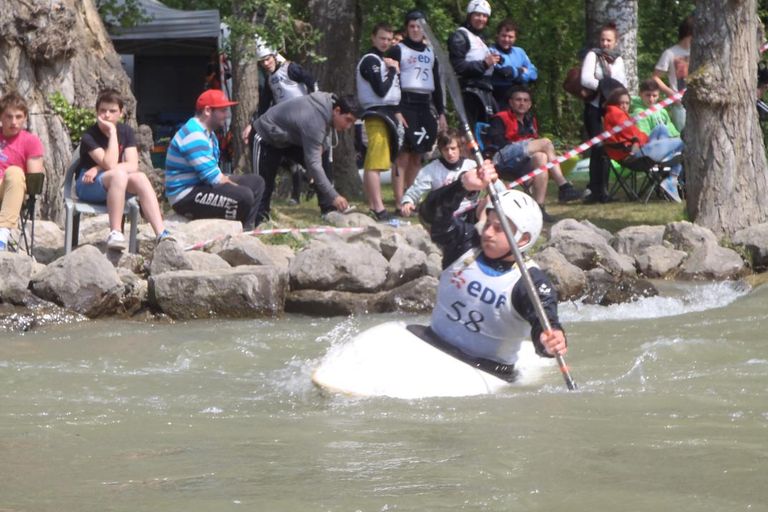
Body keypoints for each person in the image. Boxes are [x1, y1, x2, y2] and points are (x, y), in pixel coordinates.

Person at [417, 160, 567, 374]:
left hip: (488, 369)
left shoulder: (531, 283)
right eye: (488, 223)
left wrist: (550, 340)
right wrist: (461, 185)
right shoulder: (465, 243)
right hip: (434, 344)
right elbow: (430, 214)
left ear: (523, 239)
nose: (487, 233)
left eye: (499, 228)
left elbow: (545, 325)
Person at [77, 88, 170, 251]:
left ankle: (161, 233)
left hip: (114, 181)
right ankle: (115, 232)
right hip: (88, 183)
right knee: (119, 175)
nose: (107, 115)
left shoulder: (126, 131)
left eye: (112, 111)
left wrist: (97, 168)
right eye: (103, 111)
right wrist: (112, 132)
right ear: (97, 112)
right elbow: (110, 164)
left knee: (140, 177)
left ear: (121, 113)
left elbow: (132, 165)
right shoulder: (89, 136)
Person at [166, 89, 265, 230]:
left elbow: (215, 175)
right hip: (185, 196)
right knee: (245, 196)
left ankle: (247, 229)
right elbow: (215, 179)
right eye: (223, 111)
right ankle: (236, 229)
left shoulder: (208, 134)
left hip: (202, 186)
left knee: (256, 183)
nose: (227, 115)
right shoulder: (194, 135)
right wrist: (238, 188)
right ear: (207, 111)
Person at [251, 92, 358, 222]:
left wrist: (322, 148)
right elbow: (314, 164)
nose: (348, 126)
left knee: (323, 159)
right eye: (348, 120)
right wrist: (334, 195)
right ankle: (258, 220)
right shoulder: (315, 120)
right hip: (266, 136)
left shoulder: (330, 104)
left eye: (352, 122)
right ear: (337, 110)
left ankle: (329, 209)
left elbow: (322, 142)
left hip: (287, 139)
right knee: (263, 184)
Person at [484, 85, 581, 221]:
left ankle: (538, 208)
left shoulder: (530, 121)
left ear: (529, 104)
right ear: (511, 102)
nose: (522, 103)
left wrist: (529, 146)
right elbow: (496, 143)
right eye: (518, 100)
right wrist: (523, 144)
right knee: (545, 142)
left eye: (525, 100)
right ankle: (564, 186)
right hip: (502, 158)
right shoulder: (500, 118)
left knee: (541, 157)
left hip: (522, 161)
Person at [244, 42, 319, 205]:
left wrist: (316, 104)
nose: (265, 64)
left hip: (304, 120)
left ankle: (320, 190)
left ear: (274, 56)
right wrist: (252, 124)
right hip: (287, 125)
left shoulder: (291, 69)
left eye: (268, 59)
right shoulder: (270, 80)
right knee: (290, 160)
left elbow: (311, 81)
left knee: (315, 157)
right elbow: (263, 106)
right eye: (262, 62)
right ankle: (298, 190)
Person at [388, 10, 448, 212]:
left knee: (418, 155)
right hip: (404, 102)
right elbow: (391, 81)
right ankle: (399, 202)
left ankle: (410, 199)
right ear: (406, 28)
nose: (415, 30)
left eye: (419, 26)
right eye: (412, 26)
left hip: (425, 104)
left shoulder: (431, 53)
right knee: (403, 155)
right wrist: (396, 109)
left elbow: (437, 85)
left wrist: (441, 112)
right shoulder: (398, 50)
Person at [603, 87, 684, 203]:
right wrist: (645, 140)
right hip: (633, 155)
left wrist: (644, 139)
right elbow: (633, 134)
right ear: (614, 102)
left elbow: (635, 134)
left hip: (636, 150)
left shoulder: (614, 113)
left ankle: (668, 163)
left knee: (661, 128)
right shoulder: (616, 114)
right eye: (621, 103)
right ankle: (671, 177)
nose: (625, 106)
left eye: (627, 103)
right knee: (683, 143)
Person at [356, 22, 403, 221]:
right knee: (375, 162)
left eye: (389, 39)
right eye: (382, 38)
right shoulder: (370, 60)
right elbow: (381, 90)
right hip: (376, 113)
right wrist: (392, 70)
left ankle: (375, 205)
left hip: (388, 113)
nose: (385, 42)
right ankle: (378, 207)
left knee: (380, 160)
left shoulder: (383, 60)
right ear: (373, 38)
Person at [580, 22, 627, 204]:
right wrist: (605, 86)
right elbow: (586, 79)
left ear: (615, 42)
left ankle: (604, 190)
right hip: (594, 107)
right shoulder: (593, 55)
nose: (605, 43)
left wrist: (614, 92)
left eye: (609, 40)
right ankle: (594, 189)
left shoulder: (618, 60)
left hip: (611, 108)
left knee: (607, 148)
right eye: (602, 40)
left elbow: (621, 82)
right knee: (597, 147)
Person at [0, 91, 44, 252]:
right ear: (1, 117)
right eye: (9, 116)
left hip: (12, 190)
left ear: (25, 117)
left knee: (15, 172)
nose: (14, 122)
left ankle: (2, 234)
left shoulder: (30, 141)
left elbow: (33, 182)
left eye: (18, 117)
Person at [399, 129, 476, 217]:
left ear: (460, 148)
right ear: (440, 150)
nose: (450, 153)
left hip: (470, 210)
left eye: (453, 148)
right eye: (446, 149)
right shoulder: (431, 169)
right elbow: (415, 190)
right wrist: (407, 202)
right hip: (444, 214)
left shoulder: (471, 166)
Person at [448, 0, 499, 130]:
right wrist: (484, 64)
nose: (481, 19)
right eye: (477, 15)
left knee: (493, 128)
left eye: (484, 16)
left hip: (485, 90)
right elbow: (458, 66)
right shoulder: (460, 35)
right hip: (470, 92)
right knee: (472, 132)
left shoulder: (481, 38)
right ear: (470, 15)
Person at [652, 16, 693, 132]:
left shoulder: (701, 51)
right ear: (689, 33)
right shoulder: (670, 53)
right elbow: (655, 77)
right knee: (682, 135)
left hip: (698, 102)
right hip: (680, 104)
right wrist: (672, 94)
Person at [489, 19, 538, 106]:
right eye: (503, 36)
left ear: (515, 38)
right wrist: (521, 70)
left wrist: (517, 74)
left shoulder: (520, 52)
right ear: (497, 35)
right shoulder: (491, 51)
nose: (506, 39)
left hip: (520, 100)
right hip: (499, 99)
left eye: (510, 37)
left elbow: (534, 74)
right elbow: (504, 72)